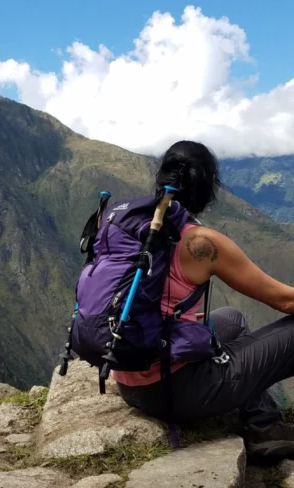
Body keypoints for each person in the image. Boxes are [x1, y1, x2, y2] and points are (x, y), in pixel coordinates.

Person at [112, 140, 294, 458]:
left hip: (129, 379)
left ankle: (263, 422)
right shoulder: (200, 241)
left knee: (231, 319)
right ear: (208, 187)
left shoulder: (131, 222)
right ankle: (264, 435)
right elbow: (285, 301)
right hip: (174, 391)